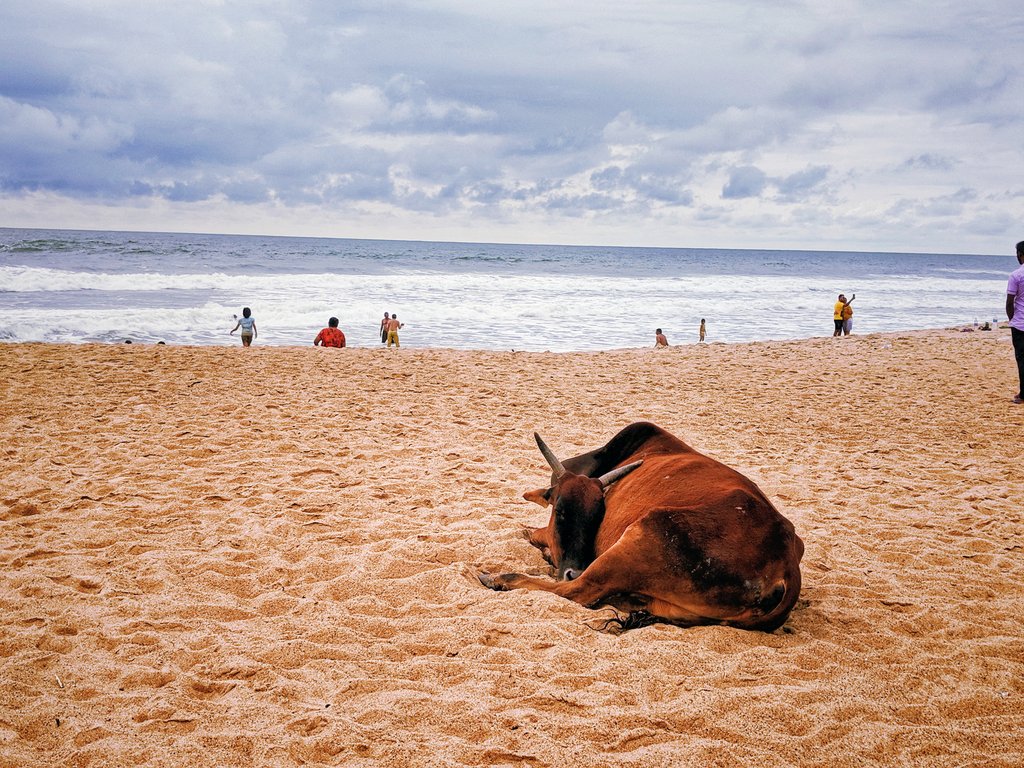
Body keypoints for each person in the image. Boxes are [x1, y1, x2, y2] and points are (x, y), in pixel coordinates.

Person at [1006, 240, 1024, 404]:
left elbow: (1010, 301)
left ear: (1020, 255)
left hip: (1020, 324)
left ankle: (1023, 393)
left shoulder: (1016, 275)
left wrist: (1012, 320)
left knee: (1022, 359)